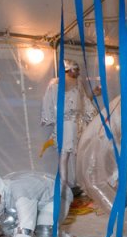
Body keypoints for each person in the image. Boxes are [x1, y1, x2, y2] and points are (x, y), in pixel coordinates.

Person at [39, 59, 100, 190]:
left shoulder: (78, 84)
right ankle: (63, 185)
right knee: (64, 154)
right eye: (76, 69)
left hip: (78, 123)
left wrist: (93, 100)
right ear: (68, 69)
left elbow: (82, 102)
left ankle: (81, 182)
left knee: (80, 153)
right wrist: (51, 118)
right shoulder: (55, 84)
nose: (78, 72)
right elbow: (49, 102)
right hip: (65, 124)